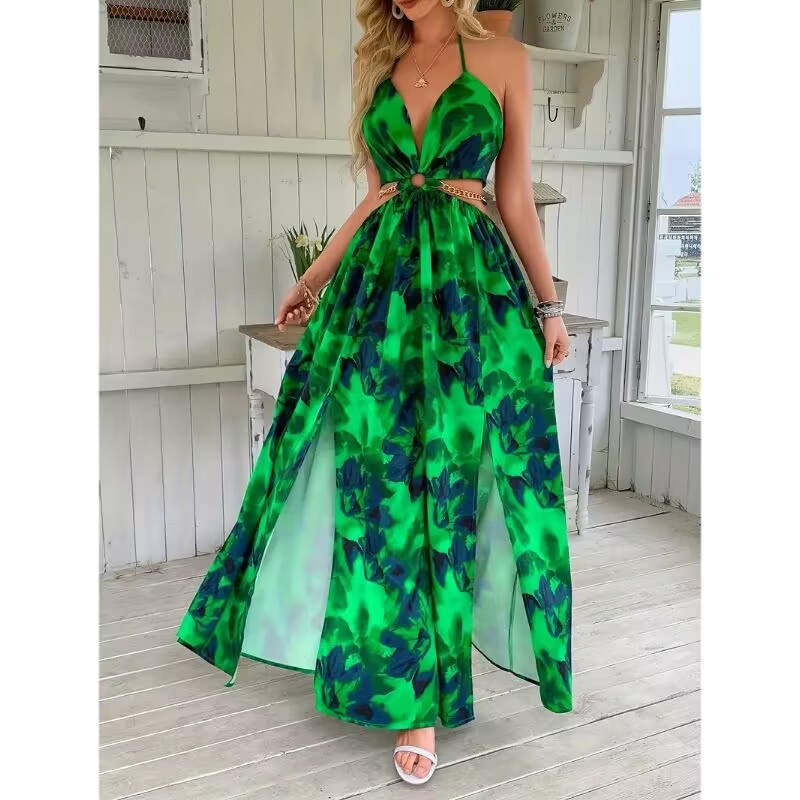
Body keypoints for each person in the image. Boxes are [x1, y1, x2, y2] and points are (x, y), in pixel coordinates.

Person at [177, 0, 573, 787]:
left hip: (466, 304)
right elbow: (376, 197)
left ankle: (430, 692)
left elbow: (515, 198)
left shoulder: (506, 58)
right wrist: (313, 278)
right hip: (376, 304)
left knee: (448, 493)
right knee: (378, 495)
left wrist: (548, 305)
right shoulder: (380, 63)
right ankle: (395, 684)